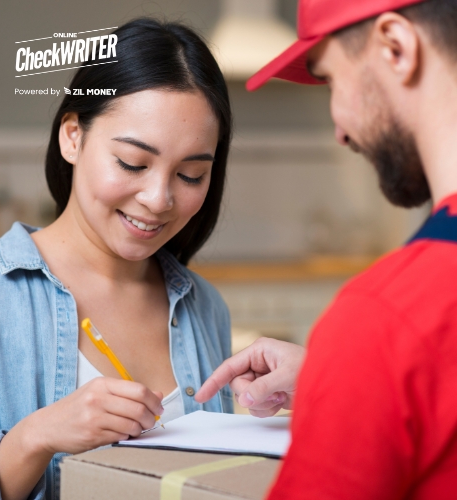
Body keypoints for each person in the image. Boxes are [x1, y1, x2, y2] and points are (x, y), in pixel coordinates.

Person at [0, 18, 234, 500]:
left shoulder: (204, 306)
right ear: (72, 137)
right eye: (133, 163)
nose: (158, 198)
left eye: (191, 174)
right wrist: (35, 437)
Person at [196, 0, 457, 497]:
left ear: (396, 48)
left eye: (332, 80)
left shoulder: (385, 319)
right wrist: (338, 382)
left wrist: (358, 369)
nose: (338, 129)